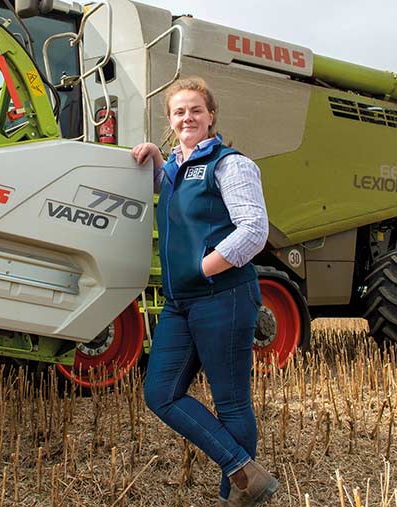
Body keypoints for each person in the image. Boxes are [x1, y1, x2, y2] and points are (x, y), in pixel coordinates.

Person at [132, 77, 277, 506]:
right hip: (181, 303)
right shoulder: (176, 169)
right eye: (179, 112)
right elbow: (172, 191)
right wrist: (158, 158)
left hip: (224, 297)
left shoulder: (231, 164)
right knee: (160, 393)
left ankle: (233, 495)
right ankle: (243, 470)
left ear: (211, 116)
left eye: (195, 110)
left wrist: (204, 266)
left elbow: (254, 229)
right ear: (170, 121)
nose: (188, 118)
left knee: (231, 402)